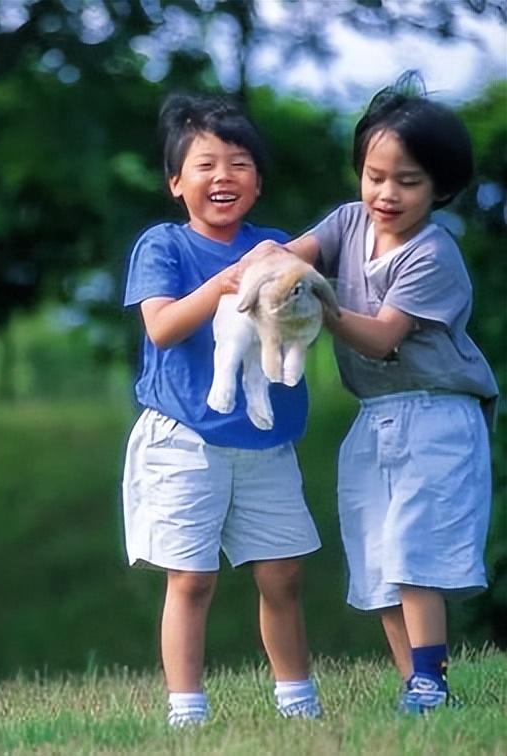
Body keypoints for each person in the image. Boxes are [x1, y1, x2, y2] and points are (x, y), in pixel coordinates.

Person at [282, 74, 499, 714]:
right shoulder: (349, 222)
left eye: (408, 182)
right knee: (377, 555)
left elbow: (379, 339)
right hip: (374, 415)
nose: (386, 193)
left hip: (436, 415)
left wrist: (315, 302)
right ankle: (417, 685)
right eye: (375, 175)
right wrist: (265, 264)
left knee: (414, 550)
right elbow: (295, 255)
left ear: (442, 189)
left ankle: (431, 680)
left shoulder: (432, 253)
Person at [121, 93, 323, 728]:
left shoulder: (278, 247)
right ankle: (187, 711)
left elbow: (304, 305)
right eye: (204, 165)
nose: (222, 178)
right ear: (175, 182)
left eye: (238, 164)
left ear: (258, 182)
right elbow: (161, 328)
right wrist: (224, 282)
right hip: (184, 438)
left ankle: (299, 703)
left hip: (267, 438)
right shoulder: (164, 246)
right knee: (191, 579)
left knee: (283, 575)